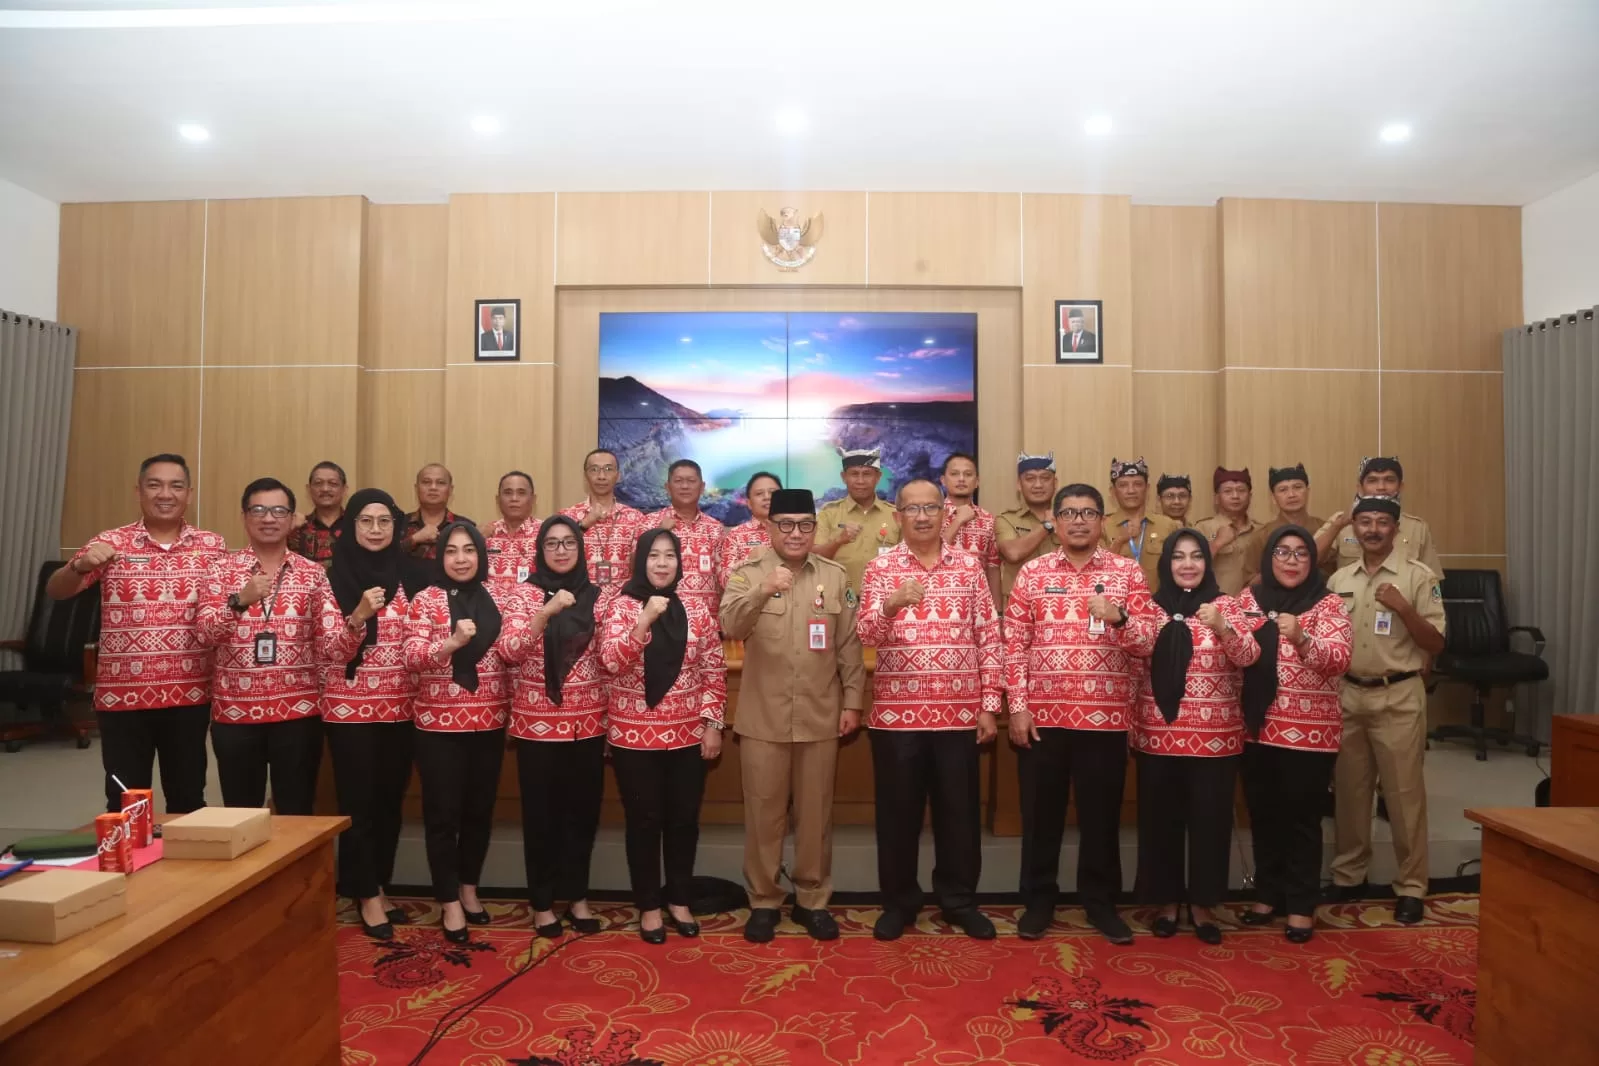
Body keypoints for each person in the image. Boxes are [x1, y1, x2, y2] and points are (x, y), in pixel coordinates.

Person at [1005, 483, 1151, 944]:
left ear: (1102, 521)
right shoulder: (1033, 572)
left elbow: (1148, 641)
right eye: (1069, 513)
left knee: (1101, 819)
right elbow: (1014, 644)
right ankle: (1038, 902)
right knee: (1040, 818)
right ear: (1056, 522)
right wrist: (1018, 708)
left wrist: (1120, 617)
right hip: (1043, 720)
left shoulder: (1127, 573)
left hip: (1105, 720)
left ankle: (1101, 903)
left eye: (1088, 513)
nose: (1079, 521)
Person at [858, 479, 1003, 941]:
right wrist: (889, 605)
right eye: (912, 509)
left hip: (959, 716)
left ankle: (958, 901)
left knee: (959, 816)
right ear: (897, 515)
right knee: (897, 816)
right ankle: (899, 904)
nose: (922, 517)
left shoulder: (969, 566)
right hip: (897, 718)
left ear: (945, 513)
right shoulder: (880, 568)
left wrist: (989, 704)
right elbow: (865, 634)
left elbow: (989, 635)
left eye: (930, 508)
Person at [720, 488, 865, 943]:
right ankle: (764, 900)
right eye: (786, 524)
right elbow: (729, 626)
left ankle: (812, 900)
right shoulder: (747, 574)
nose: (796, 533)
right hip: (763, 717)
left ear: (815, 528)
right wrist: (763, 590)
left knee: (815, 815)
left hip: (821, 716)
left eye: (805, 525)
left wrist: (853, 702)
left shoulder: (834, 576)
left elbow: (849, 645)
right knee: (763, 815)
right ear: (770, 527)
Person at [50, 453, 226, 814]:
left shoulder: (212, 547)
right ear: (139, 491)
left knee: (189, 802)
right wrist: (78, 565)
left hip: (189, 697)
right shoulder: (110, 543)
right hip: (122, 700)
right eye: (155, 485)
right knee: (125, 805)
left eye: (176, 486)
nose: (166, 494)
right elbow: (57, 590)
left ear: (189, 494)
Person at [1122, 530, 1260, 943]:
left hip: (1215, 739)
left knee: (1209, 824)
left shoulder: (1225, 605)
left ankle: (1202, 905)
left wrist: (1224, 628)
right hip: (1158, 736)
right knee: (1160, 824)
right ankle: (1165, 903)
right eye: (1178, 556)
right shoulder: (1149, 607)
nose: (1187, 564)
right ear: (1167, 563)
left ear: (1207, 563)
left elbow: (1249, 656)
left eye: (1196, 556)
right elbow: (1134, 656)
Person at [599, 528, 728, 944]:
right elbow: (611, 662)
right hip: (633, 737)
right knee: (644, 822)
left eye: (669, 555)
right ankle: (649, 906)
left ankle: (679, 899)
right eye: (653, 555)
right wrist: (643, 621)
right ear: (641, 560)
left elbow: (713, 669)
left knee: (683, 822)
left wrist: (713, 724)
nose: (661, 563)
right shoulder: (621, 605)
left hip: (688, 736)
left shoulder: (696, 607)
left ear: (679, 562)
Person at [1325, 496, 1446, 925]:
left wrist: (1404, 608)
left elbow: (1436, 643)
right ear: (1353, 528)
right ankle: (1349, 875)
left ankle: (1411, 885)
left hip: (1398, 695)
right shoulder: (1339, 579)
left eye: (1381, 522)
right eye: (1364, 521)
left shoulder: (1418, 577)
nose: (1372, 529)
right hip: (1348, 695)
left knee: (1403, 796)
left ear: (1396, 529)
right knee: (1350, 793)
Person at [403, 521, 525, 944]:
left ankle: (468, 889)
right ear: (440, 557)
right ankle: (447, 900)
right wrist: (451, 643)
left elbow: (512, 657)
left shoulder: (500, 596)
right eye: (451, 551)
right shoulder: (425, 599)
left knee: (478, 812)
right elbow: (412, 656)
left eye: (468, 550)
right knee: (442, 816)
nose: (460, 559)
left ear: (481, 555)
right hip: (438, 727)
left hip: (489, 723)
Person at [1235, 526, 1353, 942]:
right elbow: (1233, 650)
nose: (1291, 560)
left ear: (1313, 561)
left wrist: (1303, 638)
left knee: (1302, 820)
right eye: (1282, 552)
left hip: (1309, 733)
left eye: (1301, 553)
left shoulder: (1328, 603)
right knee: (1263, 815)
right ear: (1269, 558)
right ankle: (1268, 894)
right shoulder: (1249, 601)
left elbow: (1339, 659)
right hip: (1257, 730)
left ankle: (1301, 903)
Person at [197, 478, 335, 815]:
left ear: (291, 518)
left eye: (278, 511)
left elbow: (327, 644)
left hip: (298, 714)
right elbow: (205, 634)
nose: (269, 518)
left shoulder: (312, 574)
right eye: (258, 510)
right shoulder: (220, 571)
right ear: (244, 517)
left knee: (297, 813)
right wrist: (239, 601)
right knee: (241, 815)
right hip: (236, 714)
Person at [315, 489, 417, 941]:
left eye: (384, 521)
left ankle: (379, 883)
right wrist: (357, 616)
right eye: (366, 521)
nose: (376, 530)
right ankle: (365, 893)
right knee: (359, 803)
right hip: (350, 711)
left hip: (402, 708)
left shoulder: (410, 575)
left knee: (390, 802)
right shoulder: (332, 580)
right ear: (350, 527)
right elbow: (331, 651)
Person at [501, 516, 608, 939]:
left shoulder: (599, 596)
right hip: (537, 727)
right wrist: (546, 611)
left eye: (568, 543)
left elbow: (610, 661)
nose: (561, 551)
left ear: (580, 550)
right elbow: (509, 650)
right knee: (541, 818)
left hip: (588, 726)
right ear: (540, 550)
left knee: (582, 817)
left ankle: (577, 896)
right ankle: (543, 903)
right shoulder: (524, 594)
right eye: (552, 544)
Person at [1321, 458, 1443, 575]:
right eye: (1372, 480)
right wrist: (1338, 525)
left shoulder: (1417, 528)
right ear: (1360, 488)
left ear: (1400, 487)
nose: (1381, 487)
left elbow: (1433, 580)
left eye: (1389, 480)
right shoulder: (1340, 522)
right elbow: (1313, 560)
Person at [639, 460, 726, 624]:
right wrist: (658, 533)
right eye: (678, 481)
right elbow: (636, 568)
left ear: (702, 487)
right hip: (662, 620)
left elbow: (722, 579)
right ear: (667, 487)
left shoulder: (715, 528)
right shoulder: (648, 523)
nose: (685, 486)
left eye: (691, 481)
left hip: (707, 622)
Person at [815, 447, 901, 602]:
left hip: (885, 603)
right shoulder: (828, 514)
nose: (860, 481)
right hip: (840, 603)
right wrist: (838, 541)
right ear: (844, 477)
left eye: (867, 474)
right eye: (854, 474)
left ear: (878, 477)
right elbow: (815, 558)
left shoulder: (895, 515)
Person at [1241, 464, 1336, 585]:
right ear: (1273, 498)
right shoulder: (1261, 536)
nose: (1291, 494)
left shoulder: (1327, 529)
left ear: (1308, 492)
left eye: (1297, 487)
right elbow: (1249, 585)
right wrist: (1277, 569)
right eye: (1283, 490)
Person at [563, 448, 643, 589]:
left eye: (608, 469)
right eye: (594, 470)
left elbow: (641, 568)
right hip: (579, 597)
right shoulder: (567, 517)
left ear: (618, 475)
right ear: (585, 476)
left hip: (622, 598)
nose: (601, 476)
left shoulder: (636, 519)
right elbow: (559, 556)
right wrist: (584, 524)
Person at [1103, 457, 1180, 594]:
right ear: (1113, 491)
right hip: (1116, 603)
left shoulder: (1167, 525)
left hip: (1158, 603)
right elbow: (1097, 572)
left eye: (1138, 484)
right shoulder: (1103, 526)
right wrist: (1119, 541)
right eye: (1123, 485)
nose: (1131, 490)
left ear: (1147, 488)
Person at [996, 452, 1060, 606]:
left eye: (1045, 478)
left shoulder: (1069, 517)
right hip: (1019, 605)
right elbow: (1013, 553)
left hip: (1060, 601)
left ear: (1055, 483)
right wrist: (1047, 526)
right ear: (1019, 484)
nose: (1038, 485)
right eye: (1030, 478)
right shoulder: (1006, 519)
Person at [939, 452, 1001, 610]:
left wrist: (998, 612)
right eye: (954, 474)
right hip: (939, 601)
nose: (961, 479)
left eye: (968, 474)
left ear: (977, 482)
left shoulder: (988, 519)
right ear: (943, 480)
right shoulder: (933, 515)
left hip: (978, 604)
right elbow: (932, 552)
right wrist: (958, 520)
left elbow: (993, 567)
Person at [1195, 467, 1263, 595]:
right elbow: (1191, 568)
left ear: (1250, 496)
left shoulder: (1261, 531)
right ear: (1216, 498)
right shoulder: (1202, 528)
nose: (1235, 496)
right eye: (1228, 491)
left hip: (1253, 604)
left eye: (1241, 490)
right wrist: (1217, 543)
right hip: (1213, 603)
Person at [402, 463, 472, 562]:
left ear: (450, 490)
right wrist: (413, 539)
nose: (433, 487)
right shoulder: (399, 524)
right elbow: (386, 560)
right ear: (416, 488)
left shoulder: (465, 527)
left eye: (440, 483)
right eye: (426, 482)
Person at [720, 471, 781, 584]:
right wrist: (750, 563)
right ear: (749, 503)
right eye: (759, 493)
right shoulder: (736, 535)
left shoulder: (794, 531)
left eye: (772, 492)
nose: (767, 497)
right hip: (751, 594)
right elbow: (725, 581)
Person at [288, 460, 348, 569]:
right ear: (309, 489)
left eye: (333, 483)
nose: (325, 489)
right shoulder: (297, 528)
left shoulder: (356, 526)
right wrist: (287, 530)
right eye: (318, 483)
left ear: (344, 489)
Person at [485, 470, 540, 585]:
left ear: (533, 499)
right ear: (497, 500)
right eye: (508, 493)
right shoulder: (485, 534)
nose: (514, 498)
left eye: (521, 493)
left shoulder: (546, 533)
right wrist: (477, 539)